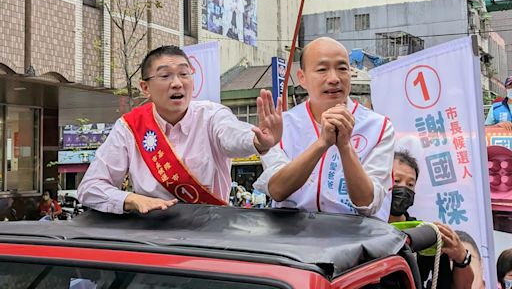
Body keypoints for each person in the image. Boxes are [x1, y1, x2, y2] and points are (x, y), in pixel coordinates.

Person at [78, 45, 282, 214]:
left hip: (211, 230)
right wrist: (132, 200)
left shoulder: (211, 116)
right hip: (154, 237)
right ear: (145, 87)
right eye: (165, 75)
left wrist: (257, 142)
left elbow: (232, 136)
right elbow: (90, 188)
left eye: (184, 74)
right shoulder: (130, 127)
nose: (177, 83)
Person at [254, 37, 394, 219]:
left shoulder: (379, 127)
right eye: (322, 70)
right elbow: (278, 190)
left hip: (354, 239)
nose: (334, 79)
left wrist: (344, 146)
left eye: (343, 68)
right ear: (302, 78)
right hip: (291, 239)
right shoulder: (283, 125)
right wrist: (322, 144)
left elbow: (368, 203)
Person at [388, 150, 475, 289]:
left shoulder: (425, 235)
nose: (403, 188)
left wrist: (461, 257)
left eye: (410, 184)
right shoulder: (359, 229)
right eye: (397, 181)